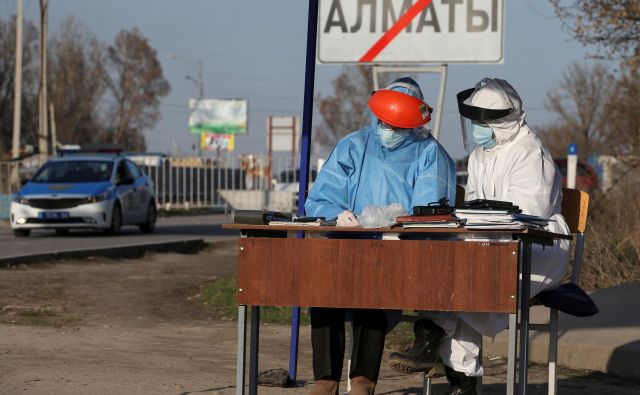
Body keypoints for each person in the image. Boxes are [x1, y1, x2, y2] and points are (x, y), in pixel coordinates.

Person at [387, 77, 571, 395]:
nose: (476, 128)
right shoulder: (479, 157)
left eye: (482, 122)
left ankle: (433, 337)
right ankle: (460, 378)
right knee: (450, 272)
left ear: (503, 121)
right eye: (473, 121)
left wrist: (476, 221)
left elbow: (529, 214)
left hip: (536, 248)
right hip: (490, 243)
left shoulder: (529, 154)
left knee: (466, 281)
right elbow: (475, 206)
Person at [305, 77, 457, 395]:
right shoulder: (353, 146)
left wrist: (397, 225)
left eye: (400, 125)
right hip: (346, 244)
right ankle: (326, 380)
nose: (391, 129)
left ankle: (363, 381)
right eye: (388, 122)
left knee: (372, 291)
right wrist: (337, 215)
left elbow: (431, 214)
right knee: (322, 288)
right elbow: (320, 198)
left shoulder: (429, 153)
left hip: (399, 252)